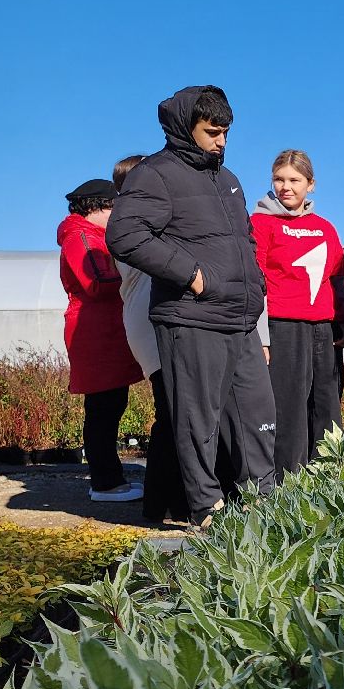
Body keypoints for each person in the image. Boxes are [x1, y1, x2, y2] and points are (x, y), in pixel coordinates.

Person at [106, 85, 276, 527]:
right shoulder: (156, 174)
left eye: (226, 133)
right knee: (196, 416)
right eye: (212, 132)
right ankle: (205, 507)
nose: (221, 141)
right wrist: (192, 275)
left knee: (258, 412)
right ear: (186, 128)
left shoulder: (229, 180)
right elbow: (125, 235)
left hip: (239, 317)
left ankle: (263, 500)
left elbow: (245, 241)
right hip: (190, 315)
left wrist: (253, 285)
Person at [252, 149, 344, 473]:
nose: (285, 187)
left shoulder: (326, 228)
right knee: (288, 410)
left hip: (323, 328)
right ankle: (286, 486)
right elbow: (255, 279)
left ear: (311, 184)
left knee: (327, 406)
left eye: (294, 180)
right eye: (279, 179)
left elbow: (337, 275)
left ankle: (329, 478)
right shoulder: (260, 223)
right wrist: (261, 336)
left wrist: (343, 328)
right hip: (282, 325)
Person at [58, 179, 145, 502]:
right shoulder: (81, 237)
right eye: (114, 208)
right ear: (95, 208)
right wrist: (135, 271)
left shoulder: (92, 235)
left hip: (106, 331)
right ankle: (105, 482)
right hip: (93, 332)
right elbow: (96, 281)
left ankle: (110, 476)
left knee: (111, 405)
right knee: (102, 410)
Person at [113, 154, 189, 523]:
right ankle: (161, 501)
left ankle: (167, 499)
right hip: (151, 323)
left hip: (150, 321)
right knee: (173, 413)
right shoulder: (131, 225)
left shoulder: (135, 221)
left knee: (175, 411)